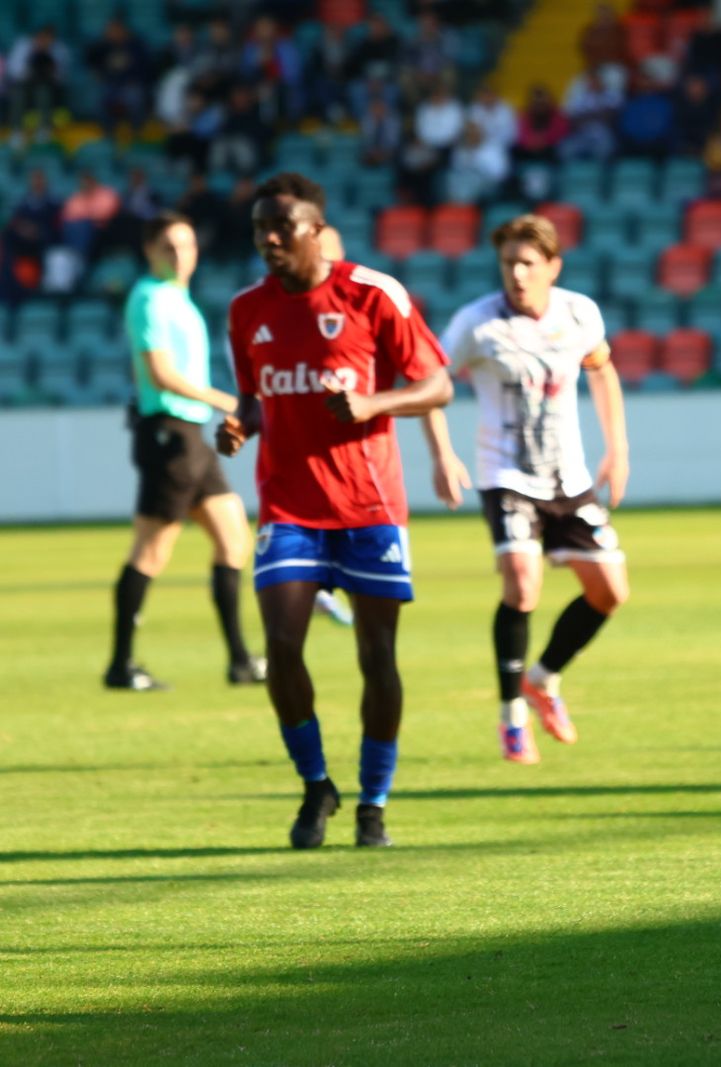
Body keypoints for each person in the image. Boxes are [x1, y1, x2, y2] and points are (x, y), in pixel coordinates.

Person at [216, 173, 454, 850]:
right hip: (288, 503)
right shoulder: (245, 310)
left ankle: (373, 802)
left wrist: (374, 405)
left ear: (316, 230)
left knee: (377, 655)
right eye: (259, 227)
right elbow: (256, 396)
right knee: (283, 648)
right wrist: (241, 425)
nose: (267, 239)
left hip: (368, 504)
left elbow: (436, 383)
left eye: (282, 227)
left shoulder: (373, 293)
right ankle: (316, 783)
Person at [425, 214, 630, 765]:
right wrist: (443, 453)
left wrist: (618, 448)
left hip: (569, 478)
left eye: (527, 263)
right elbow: (432, 385)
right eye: (508, 263)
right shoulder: (477, 322)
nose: (516, 273)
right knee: (522, 587)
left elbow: (602, 370)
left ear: (552, 267)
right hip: (505, 476)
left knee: (610, 592)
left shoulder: (579, 311)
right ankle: (512, 715)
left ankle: (543, 678)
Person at [106, 210, 266, 692]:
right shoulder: (149, 298)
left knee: (233, 536)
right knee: (152, 550)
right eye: (170, 247)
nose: (181, 256)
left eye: (188, 246)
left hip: (190, 437)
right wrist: (229, 401)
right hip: (169, 434)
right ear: (149, 251)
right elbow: (163, 375)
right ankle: (120, 665)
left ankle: (240, 660)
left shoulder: (179, 298)